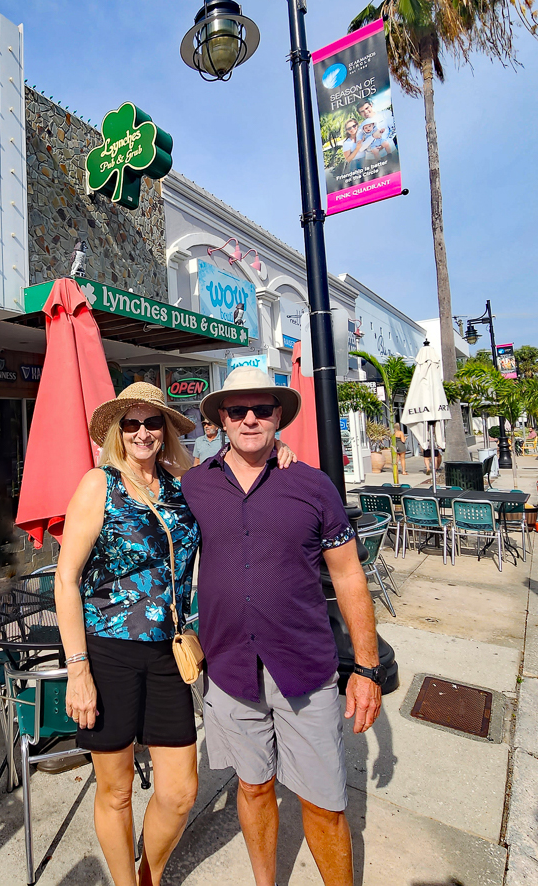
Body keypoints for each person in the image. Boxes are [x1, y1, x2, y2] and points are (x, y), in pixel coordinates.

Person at [181, 366, 384, 886]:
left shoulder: (312, 484)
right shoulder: (194, 485)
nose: (249, 419)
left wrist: (366, 667)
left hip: (303, 668)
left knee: (324, 803)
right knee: (252, 787)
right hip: (229, 668)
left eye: (262, 409)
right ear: (219, 419)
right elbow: (139, 474)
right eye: (236, 410)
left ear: (279, 417)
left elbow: (349, 577)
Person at [56, 383, 201, 886]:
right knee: (116, 791)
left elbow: (240, 474)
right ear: (119, 431)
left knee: (180, 791)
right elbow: (66, 579)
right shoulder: (99, 484)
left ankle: (149, 872)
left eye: (153, 422)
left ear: (166, 430)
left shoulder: (184, 486)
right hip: (109, 653)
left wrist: (279, 451)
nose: (143, 432)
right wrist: (78, 670)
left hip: (170, 654)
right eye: (132, 423)